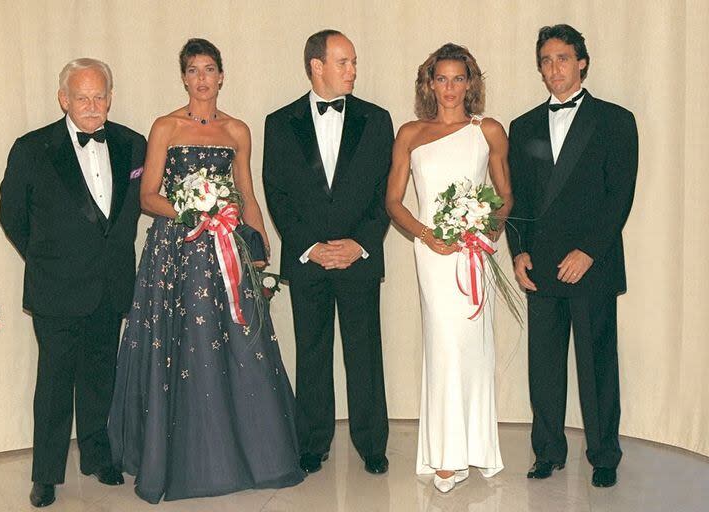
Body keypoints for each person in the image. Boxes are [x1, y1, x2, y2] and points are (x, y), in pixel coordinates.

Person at [107, 38, 304, 503]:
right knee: (181, 345)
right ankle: (179, 456)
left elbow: (247, 194)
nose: (201, 78)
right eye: (193, 70)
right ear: (184, 77)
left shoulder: (237, 130)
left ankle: (250, 453)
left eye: (209, 69)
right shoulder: (165, 127)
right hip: (176, 252)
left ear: (221, 76)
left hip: (226, 252)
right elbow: (148, 196)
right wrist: (193, 211)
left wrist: (257, 242)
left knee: (238, 341)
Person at [0, 58, 146, 508]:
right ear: (64, 99)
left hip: (110, 284)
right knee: (55, 383)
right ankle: (45, 474)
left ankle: (98, 456)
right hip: (57, 287)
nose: (92, 105)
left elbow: (134, 208)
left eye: (100, 96)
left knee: (102, 373)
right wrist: (47, 261)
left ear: (110, 97)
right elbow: (12, 216)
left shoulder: (132, 144)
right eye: (82, 97)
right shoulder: (31, 148)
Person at [506, 24, 638, 488]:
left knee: (597, 364)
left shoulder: (616, 121)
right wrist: (518, 253)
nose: (554, 68)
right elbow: (516, 200)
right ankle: (547, 452)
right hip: (540, 266)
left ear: (582, 61)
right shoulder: (521, 127)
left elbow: (618, 197)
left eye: (562, 58)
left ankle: (604, 454)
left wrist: (589, 253)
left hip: (592, 265)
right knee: (543, 366)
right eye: (545, 60)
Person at [262, 29, 393, 475]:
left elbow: (385, 194)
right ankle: (312, 442)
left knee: (365, 353)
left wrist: (360, 244)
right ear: (317, 66)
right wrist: (310, 247)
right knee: (311, 352)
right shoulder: (279, 123)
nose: (353, 71)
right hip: (309, 260)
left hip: (357, 257)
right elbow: (276, 194)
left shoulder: (377, 120)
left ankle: (372, 444)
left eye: (354, 62)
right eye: (344, 62)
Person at [386, 44, 513, 492]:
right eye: (441, 79)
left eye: (459, 79)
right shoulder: (409, 134)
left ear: (471, 84)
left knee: (475, 349)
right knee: (443, 346)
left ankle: (475, 447)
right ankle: (444, 453)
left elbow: (505, 196)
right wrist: (425, 234)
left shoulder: (489, 131)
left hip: (475, 254)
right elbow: (393, 201)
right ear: (429, 83)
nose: (450, 88)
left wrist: (488, 228)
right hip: (433, 255)